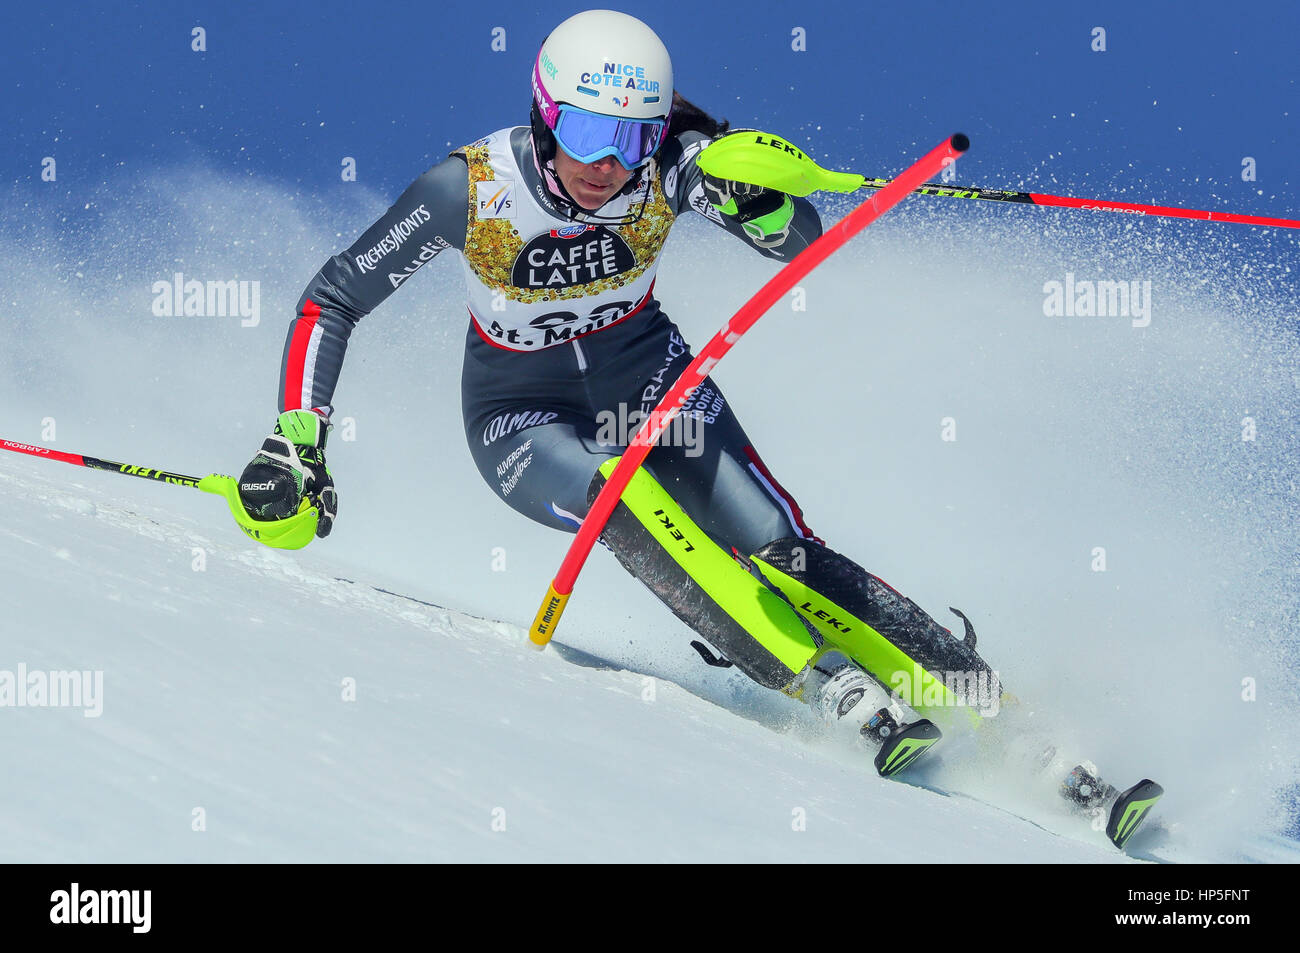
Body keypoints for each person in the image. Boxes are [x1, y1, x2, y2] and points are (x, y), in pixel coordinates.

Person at [235, 9, 994, 754]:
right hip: (519, 421)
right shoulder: (469, 189)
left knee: (775, 544)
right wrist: (297, 440)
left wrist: (759, 207)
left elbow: (799, 242)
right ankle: (829, 685)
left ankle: (981, 700)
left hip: (655, 384)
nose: (606, 165)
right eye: (586, 133)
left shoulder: (672, 163)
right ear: (542, 115)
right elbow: (333, 298)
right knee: (618, 496)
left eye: (630, 138)